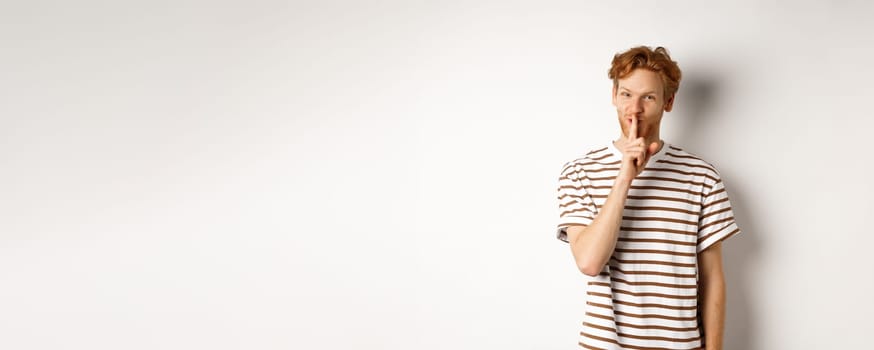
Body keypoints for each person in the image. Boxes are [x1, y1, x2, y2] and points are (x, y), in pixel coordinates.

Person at [555, 46, 740, 350]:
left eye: (648, 97)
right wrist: (625, 178)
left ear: (668, 102)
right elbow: (589, 262)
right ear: (614, 95)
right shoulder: (579, 172)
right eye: (626, 94)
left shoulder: (702, 176)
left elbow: (712, 279)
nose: (635, 108)